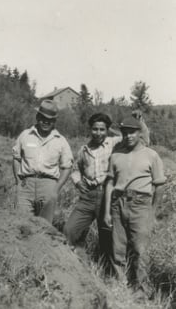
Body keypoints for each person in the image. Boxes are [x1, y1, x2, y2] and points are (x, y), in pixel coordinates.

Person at [64, 112, 149, 262]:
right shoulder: (84, 150)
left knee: (108, 235)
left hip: (108, 194)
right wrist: (77, 182)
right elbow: (76, 169)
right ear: (90, 129)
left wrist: (140, 122)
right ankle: (76, 261)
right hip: (88, 197)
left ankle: (107, 271)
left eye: (102, 129)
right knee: (69, 230)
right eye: (95, 129)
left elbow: (142, 140)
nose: (98, 133)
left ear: (107, 130)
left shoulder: (115, 143)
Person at [103, 117, 165, 295]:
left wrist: (152, 213)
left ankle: (141, 288)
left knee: (140, 249)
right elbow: (109, 183)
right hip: (118, 203)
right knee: (118, 248)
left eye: (132, 132)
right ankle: (121, 284)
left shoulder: (151, 155)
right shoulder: (116, 155)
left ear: (140, 133)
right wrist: (107, 211)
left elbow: (159, 184)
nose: (128, 136)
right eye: (124, 132)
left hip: (140, 204)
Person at [12, 99, 73, 223]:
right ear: (37, 117)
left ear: (54, 121)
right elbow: (16, 158)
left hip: (48, 185)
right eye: (43, 117)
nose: (46, 122)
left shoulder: (60, 140)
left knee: (44, 227)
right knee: (21, 225)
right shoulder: (25, 135)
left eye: (50, 119)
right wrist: (18, 181)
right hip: (25, 185)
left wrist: (56, 189)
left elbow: (67, 167)